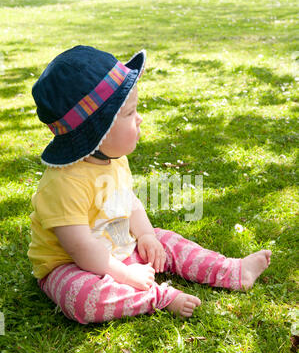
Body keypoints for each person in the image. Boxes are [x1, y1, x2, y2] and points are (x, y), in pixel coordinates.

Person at [27, 45, 271, 324]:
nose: (140, 117)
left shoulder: (114, 159)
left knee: (167, 242)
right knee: (82, 298)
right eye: (130, 113)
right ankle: (157, 297)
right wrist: (125, 274)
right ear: (98, 133)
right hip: (71, 266)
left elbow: (129, 202)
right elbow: (81, 248)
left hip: (119, 246)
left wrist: (145, 236)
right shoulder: (62, 184)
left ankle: (233, 271)